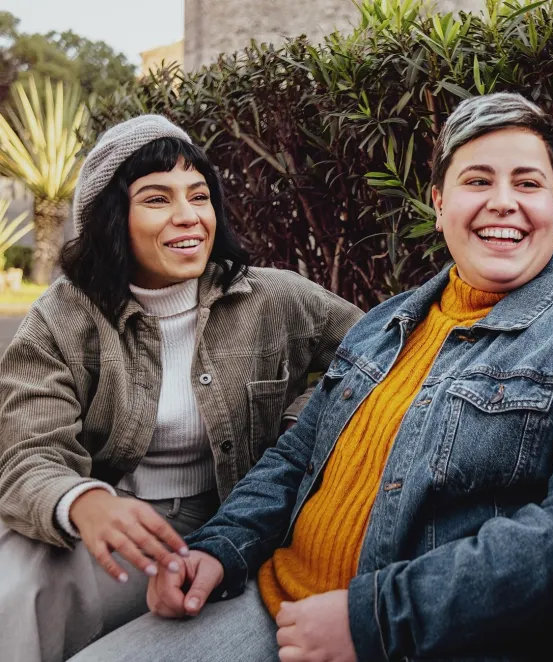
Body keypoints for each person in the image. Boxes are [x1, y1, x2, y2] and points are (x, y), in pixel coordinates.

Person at [72, 93, 553, 662]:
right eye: (477, 181)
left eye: (529, 183)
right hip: (277, 601)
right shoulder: (388, 324)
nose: (504, 201)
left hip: (414, 640)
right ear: (440, 204)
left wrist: (372, 620)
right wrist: (217, 548)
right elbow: (296, 458)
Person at [0, 115, 363, 662]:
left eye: (199, 195)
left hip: (233, 524)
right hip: (121, 522)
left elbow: (380, 354)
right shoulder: (63, 317)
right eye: (156, 199)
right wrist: (86, 502)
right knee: (18, 583)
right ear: (111, 219)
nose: (188, 216)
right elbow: (27, 453)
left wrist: (303, 424)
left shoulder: (272, 298)